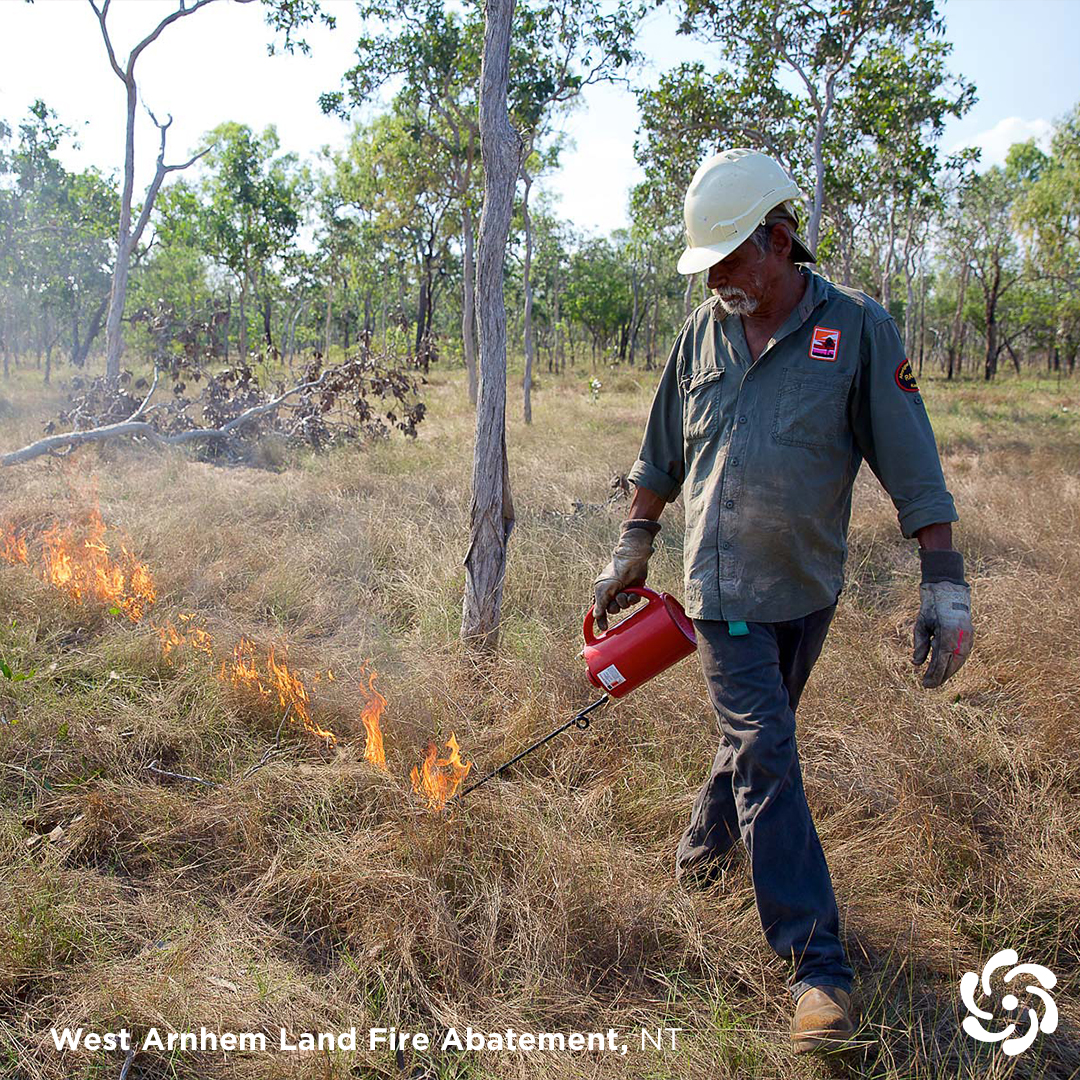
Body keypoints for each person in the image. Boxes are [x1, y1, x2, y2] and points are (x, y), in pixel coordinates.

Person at [592, 148, 974, 1054]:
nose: (720, 279)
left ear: (779, 237)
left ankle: (700, 852)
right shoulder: (702, 334)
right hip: (719, 589)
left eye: (731, 258)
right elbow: (658, 458)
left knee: (754, 746)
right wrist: (631, 547)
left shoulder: (858, 331)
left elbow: (913, 468)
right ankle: (817, 970)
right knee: (767, 748)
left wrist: (945, 585)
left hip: (806, 589)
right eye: (709, 265)